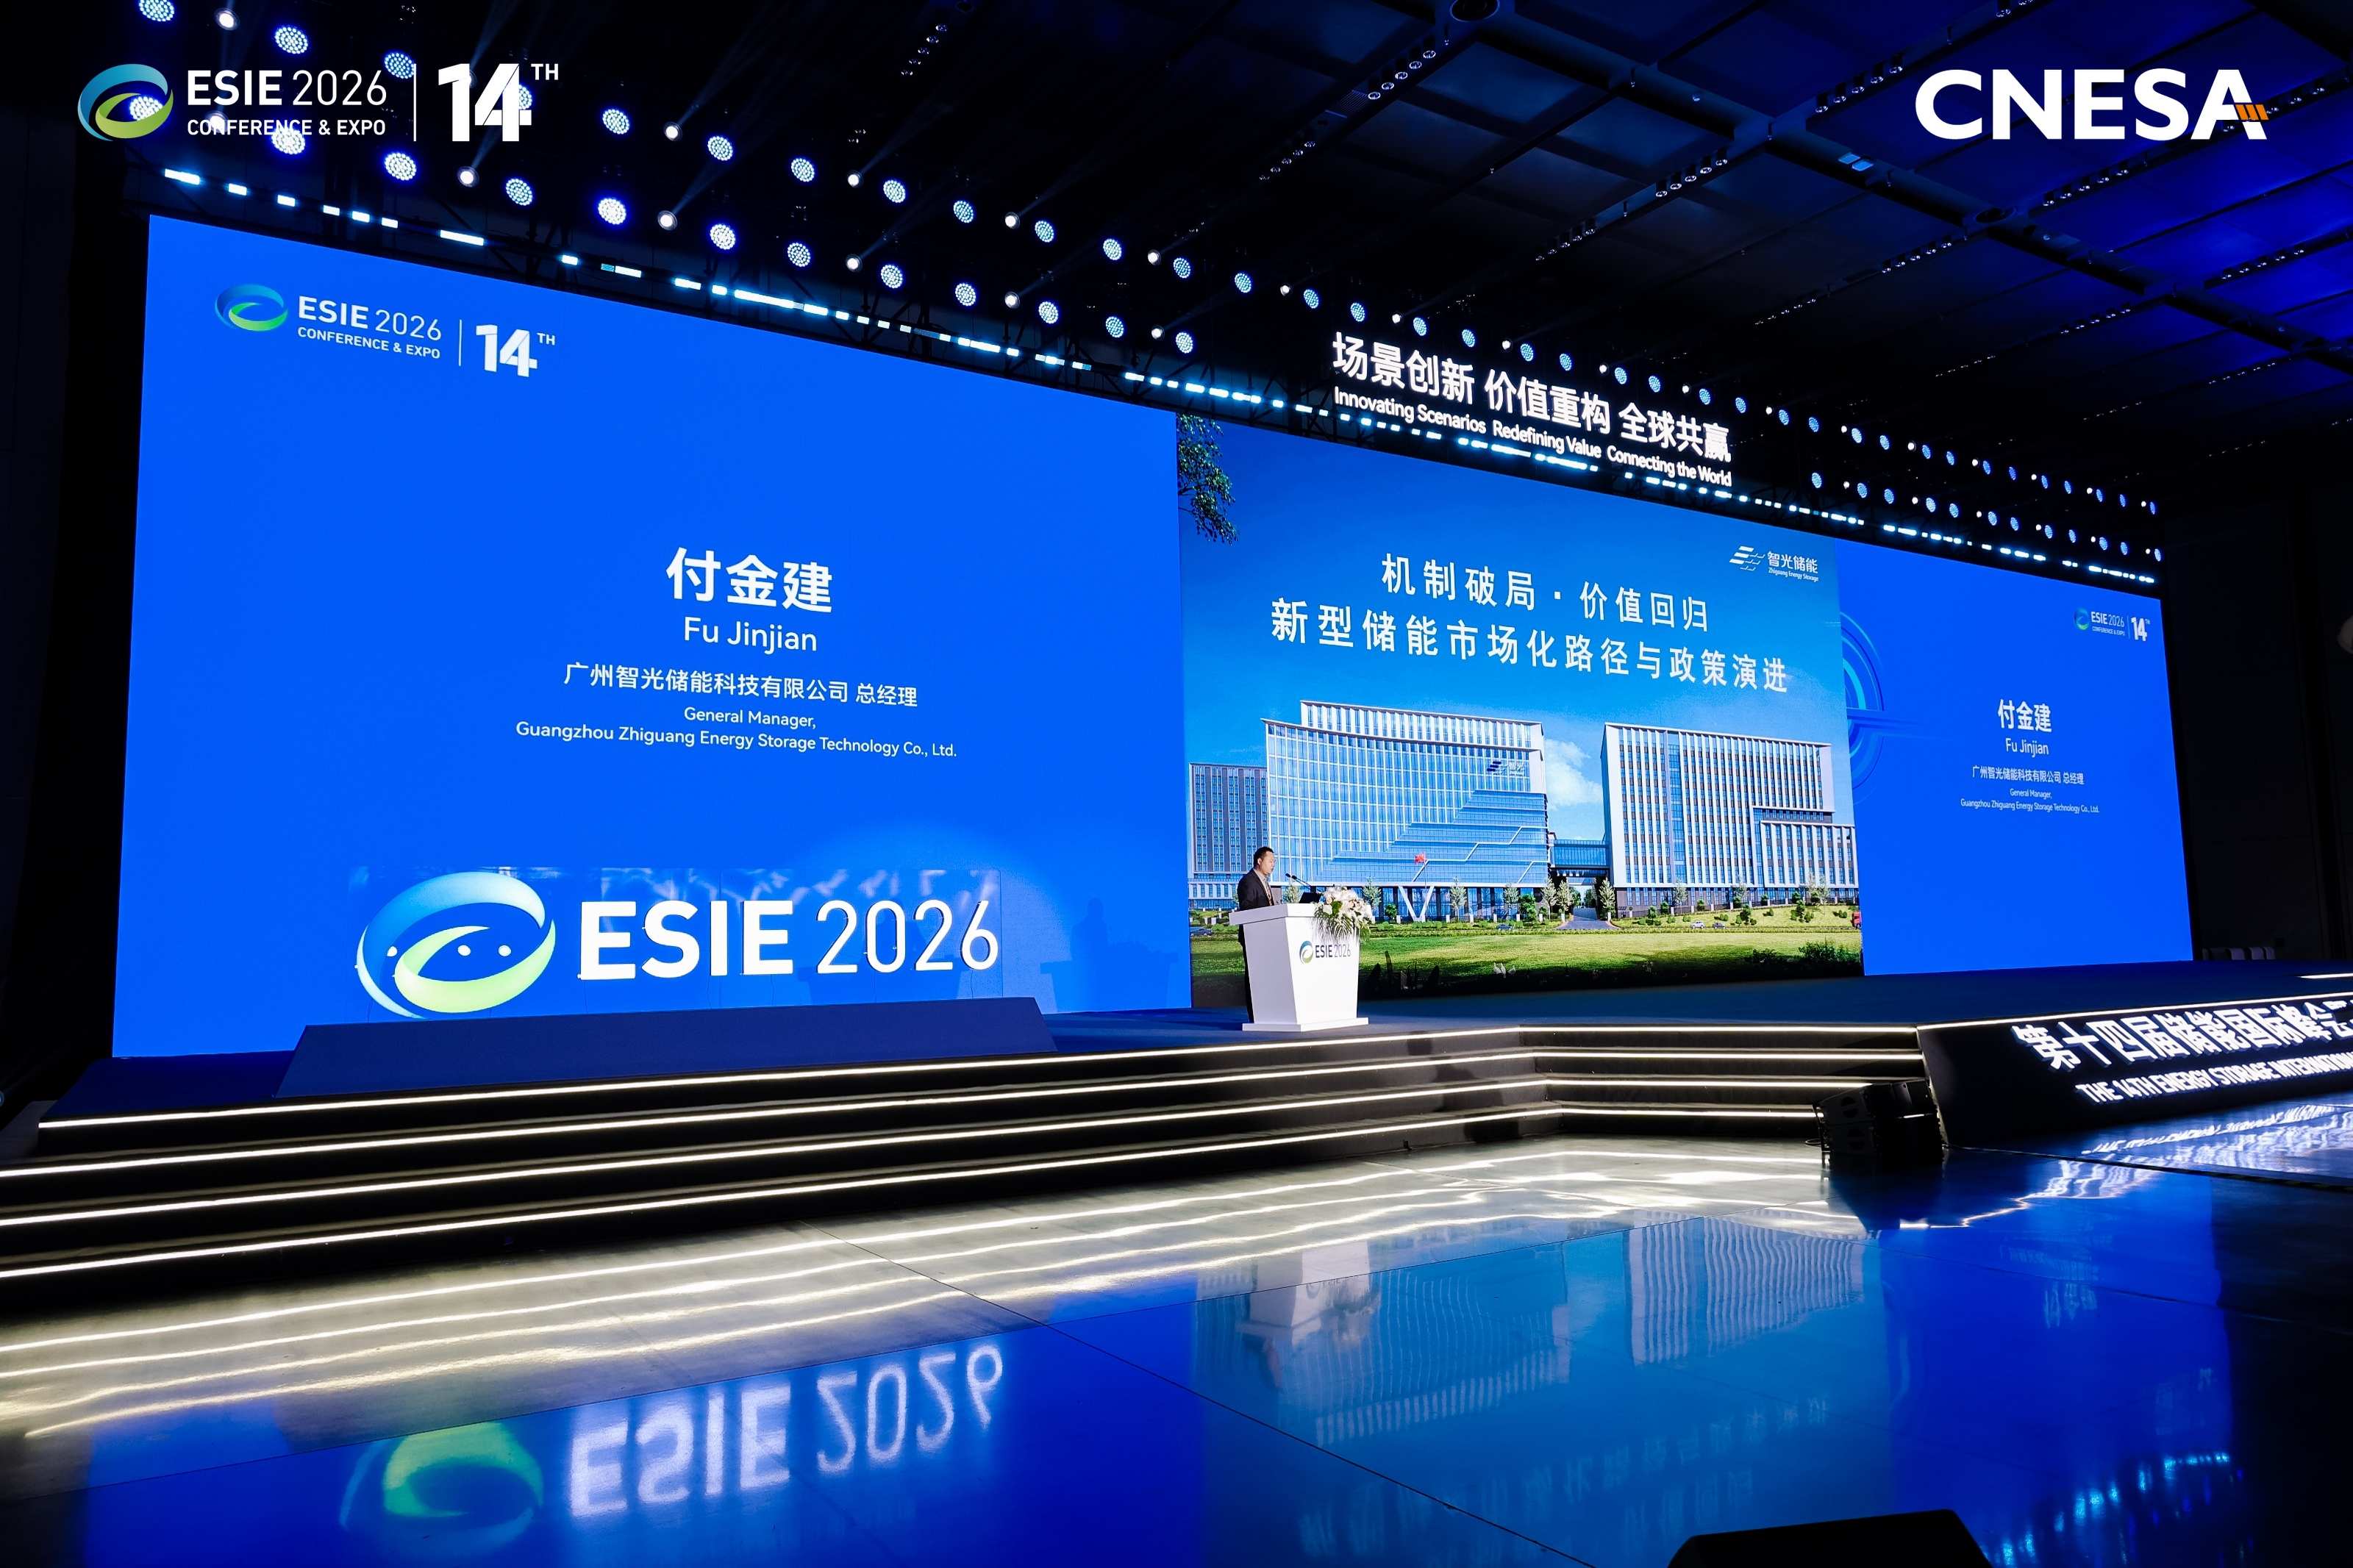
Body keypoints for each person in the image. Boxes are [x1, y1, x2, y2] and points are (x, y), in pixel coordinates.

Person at [1234, 847, 1277, 1020]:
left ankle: (1268, 1010)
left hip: (1268, 936)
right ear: (1259, 861)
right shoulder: (1248, 881)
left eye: (1274, 862)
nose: (1273, 865)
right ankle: (1255, 1015)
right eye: (1271, 861)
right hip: (1254, 936)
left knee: (1267, 975)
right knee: (1254, 975)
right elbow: (1248, 909)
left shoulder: (1264, 882)